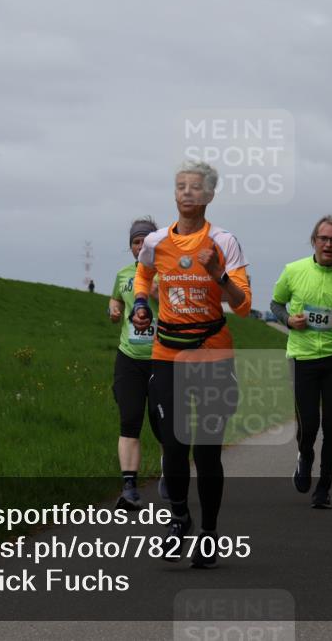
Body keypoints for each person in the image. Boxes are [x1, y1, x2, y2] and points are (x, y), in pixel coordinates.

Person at [131, 160, 251, 568]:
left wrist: (219, 274)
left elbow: (245, 306)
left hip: (213, 354)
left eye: (195, 187)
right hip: (168, 356)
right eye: (180, 186)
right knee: (174, 445)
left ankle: (209, 534)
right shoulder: (157, 241)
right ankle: (178, 517)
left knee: (207, 452)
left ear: (210, 195)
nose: (186, 193)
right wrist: (142, 303)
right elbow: (143, 272)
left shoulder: (224, 241)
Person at [269, 215, 332, 510]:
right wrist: (288, 319)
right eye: (323, 238)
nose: (328, 244)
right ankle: (305, 455)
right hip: (303, 357)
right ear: (314, 240)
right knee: (309, 423)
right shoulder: (293, 270)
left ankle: (324, 487)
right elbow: (276, 303)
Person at [109, 218, 163, 511]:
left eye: (145, 241)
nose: (140, 246)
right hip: (129, 357)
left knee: (162, 423)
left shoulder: (167, 272)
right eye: (135, 242)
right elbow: (116, 299)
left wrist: (158, 293)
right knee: (129, 420)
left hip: (162, 359)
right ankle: (129, 487)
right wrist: (114, 310)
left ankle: (172, 475)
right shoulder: (123, 274)